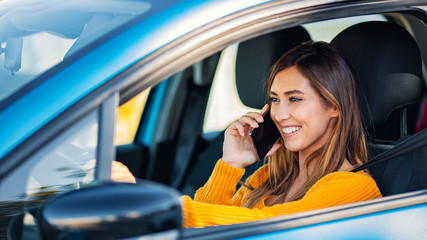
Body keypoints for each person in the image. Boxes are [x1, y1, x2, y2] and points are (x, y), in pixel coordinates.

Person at [179, 41, 382, 228]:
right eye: (275, 100)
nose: (279, 115)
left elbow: (264, 227)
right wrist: (231, 164)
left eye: (294, 99)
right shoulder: (266, 179)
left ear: (333, 106)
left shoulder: (353, 188)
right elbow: (201, 234)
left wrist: (172, 213)